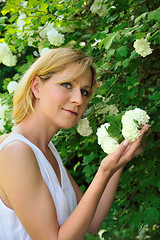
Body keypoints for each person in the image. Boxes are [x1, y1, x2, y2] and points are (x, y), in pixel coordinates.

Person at [0, 48, 150, 240]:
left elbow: (93, 221)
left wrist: (119, 160)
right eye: (67, 85)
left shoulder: (46, 150)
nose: (78, 100)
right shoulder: (15, 152)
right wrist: (103, 171)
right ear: (36, 87)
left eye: (85, 92)